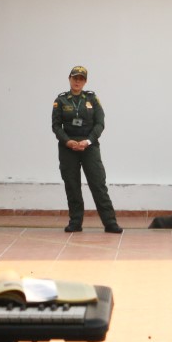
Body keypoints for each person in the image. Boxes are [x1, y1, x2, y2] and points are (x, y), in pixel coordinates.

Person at [52, 65, 122, 233]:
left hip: (89, 147)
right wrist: (67, 142)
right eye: (75, 78)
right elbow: (56, 126)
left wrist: (88, 141)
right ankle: (75, 223)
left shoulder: (92, 98)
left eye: (81, 79)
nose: (77, 81)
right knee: (72, 185)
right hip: (68, 148)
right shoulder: (61, 100)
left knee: (98, 184)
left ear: (85, 81)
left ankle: (110, 223)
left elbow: (100, 124)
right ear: (69, 79)